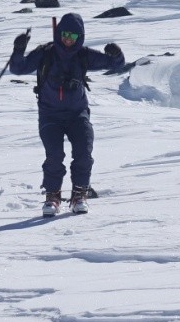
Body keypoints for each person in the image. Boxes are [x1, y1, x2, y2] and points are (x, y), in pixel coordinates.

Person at [9, 12, 124, 216]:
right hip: (50, 115)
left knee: (83, 152)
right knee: (54, 155)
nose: (68, 40)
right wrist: (19, 50)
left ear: (80, 37)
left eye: (73, 36)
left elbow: (115, 65)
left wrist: (116, 54)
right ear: (58, 33)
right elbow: (18, 69)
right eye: (64, 35)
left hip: (77, 114)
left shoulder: (84, 55)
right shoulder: (45, 53)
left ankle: (79, 195)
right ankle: (52, 197)